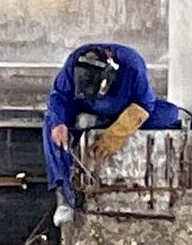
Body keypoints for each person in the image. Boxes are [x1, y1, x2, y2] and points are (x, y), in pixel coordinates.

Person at [44, 43, 181, 226]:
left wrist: (115, 135)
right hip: (84, 108)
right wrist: (58, 122)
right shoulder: (74, 61)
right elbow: (59, 96)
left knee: (170, 113)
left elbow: (145, 104)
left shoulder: (132, 65)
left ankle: (100, 121)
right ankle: (64, 196)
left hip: (122, 111)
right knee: (50, 121)